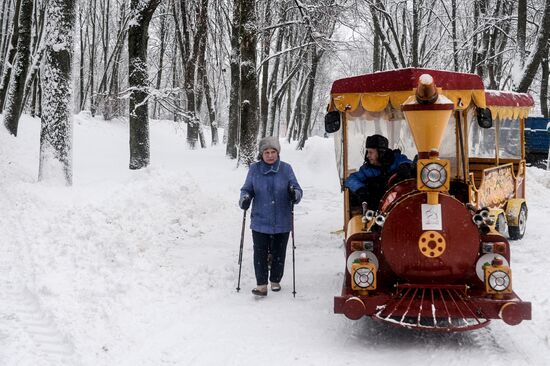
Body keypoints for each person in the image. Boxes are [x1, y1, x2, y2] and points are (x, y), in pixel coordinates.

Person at [239, 136, 303, 297]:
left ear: (278, 152)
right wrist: (245, 199)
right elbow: (246, 189)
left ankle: (275, 279)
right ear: (261, 154)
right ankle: (261, 285)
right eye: (266, 152)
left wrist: (294, 194)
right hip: (260, 220)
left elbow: (297, 189)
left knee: (278, 252)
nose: (270, 155)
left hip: (282, 219)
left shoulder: (286, 169)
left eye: (273, 151)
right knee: (259, 252)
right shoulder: (254, 169)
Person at [345, 134, 412, 209]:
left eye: (371, 152)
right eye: (367, 152)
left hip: (402, 204)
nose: (367, 155)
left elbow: (407, 162)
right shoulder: (366, 169)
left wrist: (406, 166)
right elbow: (351, 179)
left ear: (381, 153)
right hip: (378, 210)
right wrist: (360, 189)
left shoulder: (396, 159)